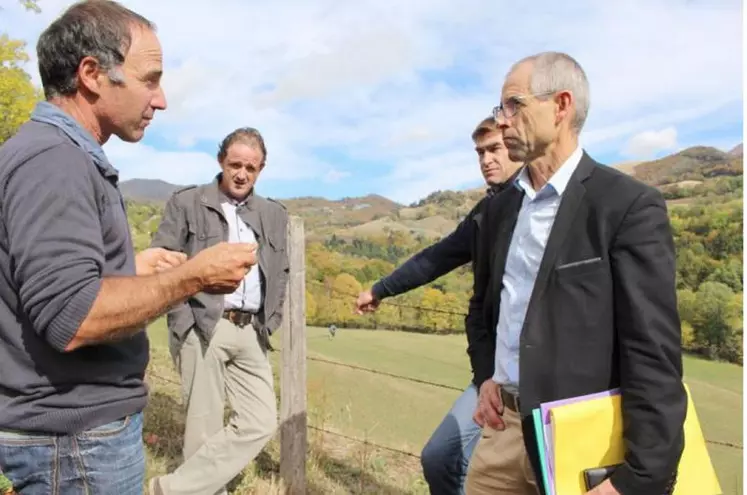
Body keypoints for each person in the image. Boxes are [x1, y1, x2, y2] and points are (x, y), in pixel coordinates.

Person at [0, 2, 258, 494]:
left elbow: (47, 284)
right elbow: (72, 317)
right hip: (74, 448)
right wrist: (193, 278)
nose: (160, 100)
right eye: (150, 79)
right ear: (93, 74)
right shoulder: (56, 161)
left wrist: (129, 269)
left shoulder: (56, 154)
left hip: (72, 440)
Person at [464, 51, 686, 495]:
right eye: (499, 109)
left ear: (561, 106)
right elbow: (490, 304)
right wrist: (488, 374)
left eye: (513, 105)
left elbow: (652, 351)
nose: (502, 121)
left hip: (583, 445)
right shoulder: (501, 209)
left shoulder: (625, 206)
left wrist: (640, 477)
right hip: (502, 437)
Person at [355, 117, 523, 495]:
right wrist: (380, 289)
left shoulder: (539, 208)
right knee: (441, 458)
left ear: (516, 145)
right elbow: (436, 258)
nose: (486, 159)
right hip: (493, 371)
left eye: (494, 149)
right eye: (480, 152)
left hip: (542, 378)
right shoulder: (484, 214)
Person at [148, 127, 289, 495]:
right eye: (235, 165)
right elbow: (162, 262)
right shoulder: (188, 203)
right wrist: (183, 319)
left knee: (260, 420)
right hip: (202, 323)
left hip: (251, 330)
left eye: (251, 168)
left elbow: (282, 270)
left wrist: (270, 320)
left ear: (261, 169)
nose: (242, 174)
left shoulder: (274, 214)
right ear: (220, 162)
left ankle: (168, 490)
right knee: (203, 426)